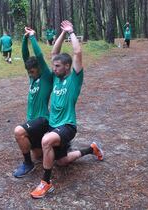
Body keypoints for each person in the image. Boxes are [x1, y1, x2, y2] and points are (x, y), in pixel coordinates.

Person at [30, 20, 104, 199]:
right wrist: (62, 33)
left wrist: (71, 32)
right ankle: (91, 149)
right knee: (61, 161)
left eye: (57, 66)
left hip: (67, 126)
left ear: (67, 67)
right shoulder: (56, 78)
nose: (53, 69)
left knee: (46, 141)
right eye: (53, 66)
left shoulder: (74, 79)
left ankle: (46, 182)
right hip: (54, 126)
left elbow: (78, 52)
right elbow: (54, 52)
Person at [13, 27, 53, 178]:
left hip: (42, 119)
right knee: (38, 155)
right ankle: (60, 146)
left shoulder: (46, 77)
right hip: (33, 120)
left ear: (39, 69)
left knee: (18, 131)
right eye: (29, 72)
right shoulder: (33, 78)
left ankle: (27, 164)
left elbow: (40, 56)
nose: (30, 74)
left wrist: (32, 37)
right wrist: (24, 39)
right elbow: (25, 56)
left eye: (33, 71)